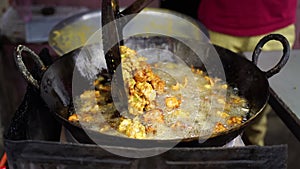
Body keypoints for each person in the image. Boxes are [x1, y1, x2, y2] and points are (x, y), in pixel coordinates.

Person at [161, 0, 297, 146]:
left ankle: (254, 149)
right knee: (209, 84)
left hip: (275, 19)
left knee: (258, 108)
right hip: (220, 19)